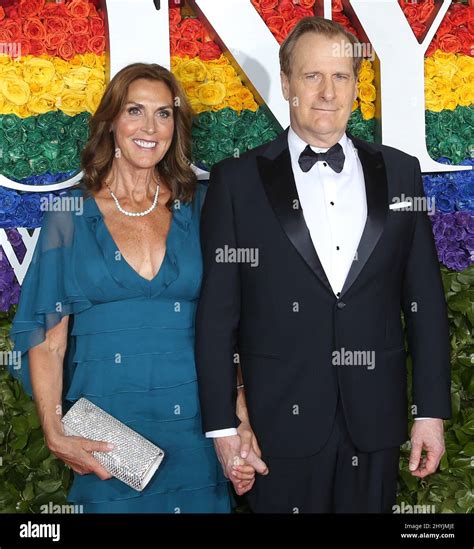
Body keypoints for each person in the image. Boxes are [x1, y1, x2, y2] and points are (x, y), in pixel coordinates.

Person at [195, 17, 451, 513]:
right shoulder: (237, 181)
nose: (327, 92)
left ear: (358, 87)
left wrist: (430, 412)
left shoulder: (401, 173)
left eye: (341, 77)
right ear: (287, 83)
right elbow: (216, 318)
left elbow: (425, 302)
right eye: (312, 76)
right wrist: (225, 428)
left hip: (374, 420)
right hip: (275, 428)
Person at [8, 63, 257, 513]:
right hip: (107, 438)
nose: (149, 127)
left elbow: (227, 325)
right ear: (110, 123)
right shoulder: (69, 215)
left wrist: (238, 418)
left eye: (164, 114)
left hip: (197, 424)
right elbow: (47, 344)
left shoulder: (201, 209)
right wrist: (55, 433)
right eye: (135, 111)